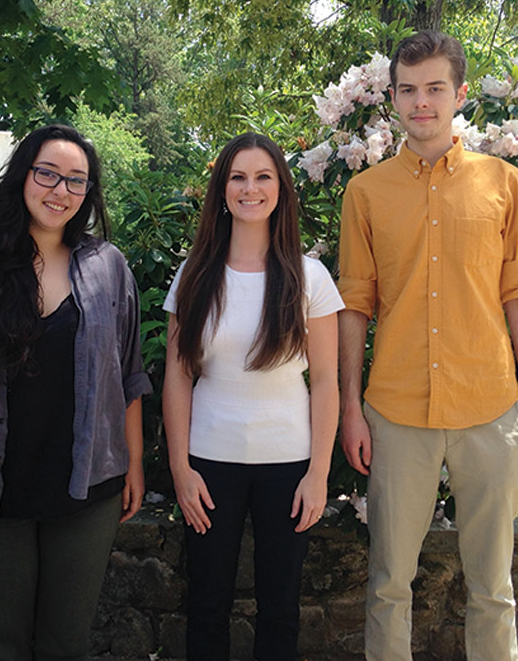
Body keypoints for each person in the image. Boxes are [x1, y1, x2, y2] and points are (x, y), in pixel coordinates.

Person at [338, 31, 518, 661]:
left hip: (490, 408)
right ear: (394, 99)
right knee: (388, 586)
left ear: (460, 95)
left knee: (493, 587)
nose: (421, 102)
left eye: (435, 89)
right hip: (397, 412)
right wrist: (351, 407)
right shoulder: (366, 194)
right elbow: (354, 305)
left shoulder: (504, 182)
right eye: (409, 90)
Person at [0, 124, 150, 661]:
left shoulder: (108, 268)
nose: (60, 190)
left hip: (87, 492)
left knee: (67, 643)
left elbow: (128, 377)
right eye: (48, 174)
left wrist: (132, 464)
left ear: (88, 194)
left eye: (76, 181)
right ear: (22, 177)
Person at [162, 132, 343, 661]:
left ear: (282, 190)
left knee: (281, 609)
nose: (250, 188)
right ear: (222, 190)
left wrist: (318, 474)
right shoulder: (195, 276)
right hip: (209, 465)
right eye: (238, 177)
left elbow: (327, 381)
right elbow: (178, 377)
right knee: (208, 605)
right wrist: (180, 469)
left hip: (288, 465)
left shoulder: (309, 278)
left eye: (264, 176)